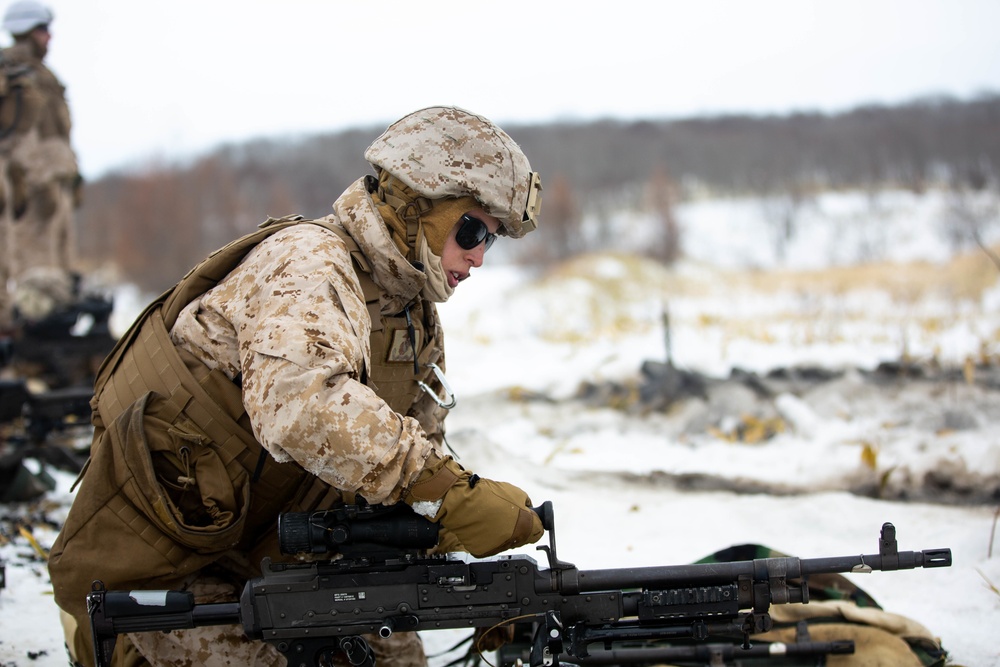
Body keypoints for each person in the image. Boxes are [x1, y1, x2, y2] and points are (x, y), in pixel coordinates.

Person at [47, 106, 545, 667]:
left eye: (491, 240)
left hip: (278, 553)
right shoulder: (310, 264)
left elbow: (412, 455)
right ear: (415, 205)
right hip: (173, 561)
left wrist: (473, 579)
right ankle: (111, 647)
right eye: (472, 229)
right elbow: (301, 407)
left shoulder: (410, 314)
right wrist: (448, 493)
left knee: (400, 659)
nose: (478, 257)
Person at [0, 0, 80, 332]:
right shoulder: (11, 71)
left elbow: (57, 134)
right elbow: (18, 137)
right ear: (26, 32)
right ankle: (31, 336)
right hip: (29, 184)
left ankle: (53, 332)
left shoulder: (44, 76)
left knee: (60, 270)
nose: (49, 37)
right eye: (42, 30)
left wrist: (73, 177)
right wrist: (25, 175)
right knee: (34, 268)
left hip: (56, 180)